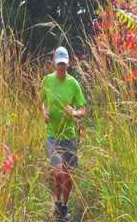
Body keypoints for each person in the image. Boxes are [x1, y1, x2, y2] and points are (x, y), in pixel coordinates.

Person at [40, 46, 86, 221]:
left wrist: (74, 113)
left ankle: (64, 207)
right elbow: (41, 102)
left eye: (64, 65)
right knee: (58, 172)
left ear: (68, 64)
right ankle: (57, 201)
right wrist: (44, 112)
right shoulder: (47, 81)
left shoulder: (73, 84)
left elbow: (83, 109)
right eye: (58, 64)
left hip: (70, 137)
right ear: (53, 63)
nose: (61, 68)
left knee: (67, 176)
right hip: (53, 135)